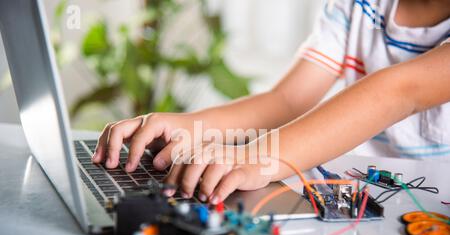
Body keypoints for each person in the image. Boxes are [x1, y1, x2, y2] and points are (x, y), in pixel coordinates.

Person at [92, 0, 450, 204]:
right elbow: (288, 99)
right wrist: (188, 126)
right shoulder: (357, 5)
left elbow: (400, 91)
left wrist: (258, 156)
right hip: (361, 200)